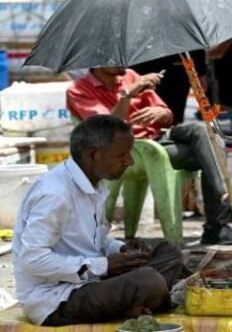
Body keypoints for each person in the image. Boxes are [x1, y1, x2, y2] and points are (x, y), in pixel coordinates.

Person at [13, 115, 187, 326]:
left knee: (169, 253)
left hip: (90, 281)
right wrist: (102, 265)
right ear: (92, 155)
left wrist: (121, 250)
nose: (130, 162)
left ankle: (141, 302)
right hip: (55, 299)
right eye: (121, 155)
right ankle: (146, 299)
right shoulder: (55, 194)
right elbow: (32, 259)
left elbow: (96, 240)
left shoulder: (94, 185)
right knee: (148, 281)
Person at [66, 67, 232, 245]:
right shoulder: (78, 90)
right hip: (133, 150)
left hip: (161, 136)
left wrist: (160, 113)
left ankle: (224, 197)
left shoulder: (130, 75)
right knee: (213, 151)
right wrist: (127, 95)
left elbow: (166, 113)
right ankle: (217, 223)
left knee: (208, 132)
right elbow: (105, 130)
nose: (121, 63)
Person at [131, 0, 208, 125]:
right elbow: (192, 29)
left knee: (146, 116)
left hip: (143, 61)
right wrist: (201, 69)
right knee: (173, 117)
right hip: (178, 63)